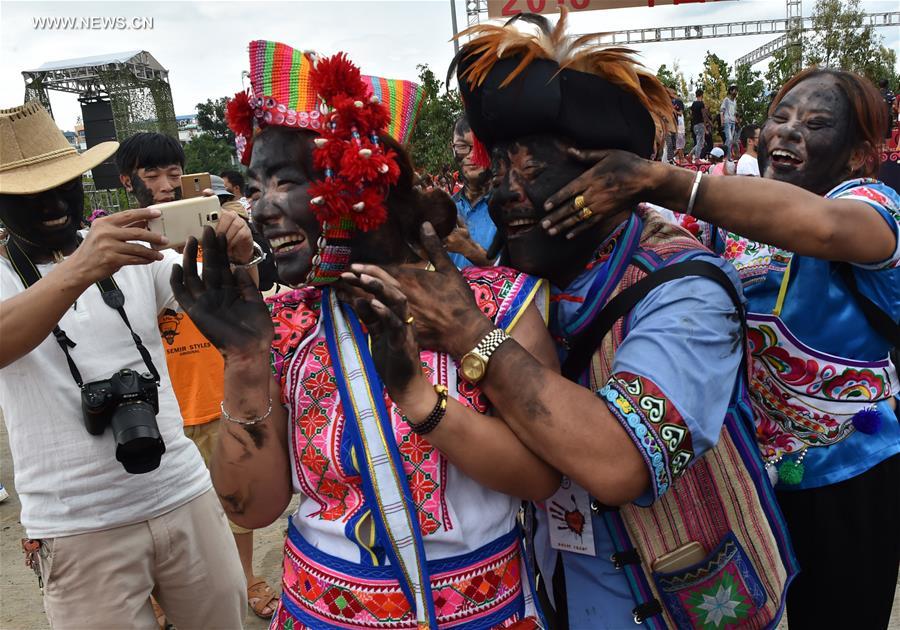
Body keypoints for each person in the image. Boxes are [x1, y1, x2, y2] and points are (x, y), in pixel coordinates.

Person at [368, 11, 796, 629]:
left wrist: (471, 335)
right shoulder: (523, 277)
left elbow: (620, 461)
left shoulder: (685, 289)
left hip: (691, 607)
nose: (506, 192)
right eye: (501, 169)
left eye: (535, 168)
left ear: (609, 179)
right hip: (569, 593)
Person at [178, 41, 558, 629]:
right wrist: (246, 361)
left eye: (285, 181)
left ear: (357, 181)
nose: (262, 209)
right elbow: (251, 508)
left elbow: (539, 478)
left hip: (483, 614)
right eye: (256, 188)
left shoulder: (494, 303)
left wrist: (422, 401)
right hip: (320, 612)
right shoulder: (285, 325)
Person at [539, 66, 900, 630]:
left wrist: (664, 179)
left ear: (856, 155)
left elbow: (826, 230)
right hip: (757, 480)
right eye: (780, 117)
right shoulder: (727, 221)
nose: (789, 133)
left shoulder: (871, 207)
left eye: (816, 123)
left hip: (848, 484)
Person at [0, 102, 250, 629]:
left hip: (182, 489)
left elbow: (223, 304)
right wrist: (82, 268)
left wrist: (236, 252)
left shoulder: (132, 251)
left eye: (63, 183)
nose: (51, 202)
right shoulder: (17, 271)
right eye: (27, 193)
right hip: (77, 524)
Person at [115, 133, 279, 620]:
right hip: (164, 410)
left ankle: (246, 578)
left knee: (236, 496)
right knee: (158, 513)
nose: (166, 185)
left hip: (216, 396)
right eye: (152, 175)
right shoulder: (119, 249)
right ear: (128, 182)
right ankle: (160, 598)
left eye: (173, 173)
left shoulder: (212, 238)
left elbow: (250, 302)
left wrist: (242, 249)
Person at [447, 117, 496, 268]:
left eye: (480, 147)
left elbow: (518, 277)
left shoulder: (509, 206)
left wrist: (468, 249)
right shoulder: (448, 208)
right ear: (453, 149)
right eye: (462, 147)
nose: (472, 155)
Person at [720, 84, 738, 160]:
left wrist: (736, 119)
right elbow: (721, 111)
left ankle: (726, 155)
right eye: (735, 90)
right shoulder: (726, 100)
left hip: (733, 122)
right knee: (729, 139)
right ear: (730, 91)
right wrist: (722, 121)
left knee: (730, 141)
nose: (736, 92)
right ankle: (725, 155)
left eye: (737, 91)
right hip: (727, 121)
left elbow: (734, 112)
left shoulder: (735, 102)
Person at [690, 88, 707, 161]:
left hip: (694, 125)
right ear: (702, 95)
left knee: (700, 142)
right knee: (700, 142)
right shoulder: (701, 103)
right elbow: (704, 114)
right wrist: (705, 124)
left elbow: (690, 114)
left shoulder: (693, 104)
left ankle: (690, 154)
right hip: (700, 124)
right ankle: (697, 158)